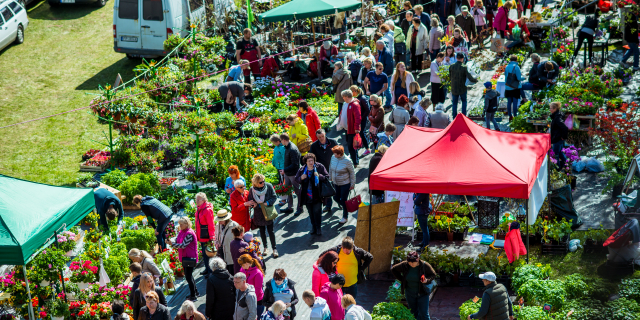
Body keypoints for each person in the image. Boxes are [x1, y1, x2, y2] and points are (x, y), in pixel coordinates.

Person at [391, 251, 436, 320]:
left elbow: (433, 274)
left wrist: (427, 280)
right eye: (409, 262)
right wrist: (402, 279)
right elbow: (393, 269)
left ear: (417, 260)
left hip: (423, 293)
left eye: (413, 262)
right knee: (413, 313)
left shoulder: (424, 265)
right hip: (410, 293)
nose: (411, 264)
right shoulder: (405, 265)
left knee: (424, 314)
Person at [166, 217, 199, 301]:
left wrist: (172, 244)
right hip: (185, 257)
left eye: (181, 224)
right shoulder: (181, 231)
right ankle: (195, 292)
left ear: (186, 224)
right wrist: (170, 241)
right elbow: (177, 239)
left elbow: (183, 245)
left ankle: (193, 296)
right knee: (189, 276)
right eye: (179, 224)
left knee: (188, 277)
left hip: (190, 257)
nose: (179, 226)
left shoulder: (189, 233)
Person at [295, 153, 329, 235]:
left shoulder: (319, 167)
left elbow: (327, 177)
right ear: (305, 162)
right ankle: (313, 227)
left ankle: (318, 228)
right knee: (311, 213)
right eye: (309, 161)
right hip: (307, 196)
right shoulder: (302, 169)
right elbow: (297, 179)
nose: (311, 162)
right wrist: (301, 178)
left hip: (317, 195)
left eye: (312, 160)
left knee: (317, 211)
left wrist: (319, 176)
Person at [247, 173, 278, 257]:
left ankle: (274, 248)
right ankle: (265, 247)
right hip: (258, 213)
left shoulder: (269, 186)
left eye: (263, 181)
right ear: (256, 183)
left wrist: (267, 203)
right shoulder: (251, 190)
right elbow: (250, 200)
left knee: (271, 231)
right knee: (262, 232)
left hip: (268, 212)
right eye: (260, 182)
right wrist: (254, 204)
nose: (263, 183)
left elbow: (274, 197)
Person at [309, 130, 340, 211]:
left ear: (325, 134)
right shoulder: (314, 145)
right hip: (323, 171)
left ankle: (340, 202)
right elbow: (311, 157)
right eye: (319, 137)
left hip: (334, 168)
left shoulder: (333, 142)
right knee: (327, 188)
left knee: (337, 186)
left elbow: (340, 152)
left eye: (322, 136)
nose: (321, 138)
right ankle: (328, 205)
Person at [329, 145, 356, 224]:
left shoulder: (347, 161)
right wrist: (330, 177)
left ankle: (345, 217)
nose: (334, 155)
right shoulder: (333, 157)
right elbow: (330, 167)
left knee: (343, 199)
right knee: (335, 198)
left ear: (340, 153)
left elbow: (352, 173)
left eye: (336, 154)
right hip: (335, 183)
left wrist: (352, 184)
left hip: (345, 183)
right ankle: (346, 207)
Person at [337, 90, 362, 167]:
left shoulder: (355, 105)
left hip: (352, 129)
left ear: (347, 97)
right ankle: (355, 160)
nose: (343, 98)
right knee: (351, 145)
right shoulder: (345, 103)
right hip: (347, 129)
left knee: (351, 146)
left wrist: (356, 127)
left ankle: (354, 162)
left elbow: (358, 117)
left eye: (343, 97)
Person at [449, 52, 477, 117]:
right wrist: (475, 80)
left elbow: (450, 76)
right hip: (462, 88)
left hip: (454, 87)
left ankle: (454, 117)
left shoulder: (452, 66)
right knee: (464, 101)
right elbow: (469, 77)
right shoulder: (464, 67)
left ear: (456, 58)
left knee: (454, 103)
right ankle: (463, 116)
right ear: (463, 58)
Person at [280, 133, 302, 215]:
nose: (281, 142)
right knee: (287, 190)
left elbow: (295, 164)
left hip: (293, 174)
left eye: (281, 140)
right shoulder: (287, 147)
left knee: (298, 191)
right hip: (287, 173)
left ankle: (300, 208)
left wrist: (284, 170)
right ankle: (290, 207)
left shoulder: (292, 149)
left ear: (284, 140)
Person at [195, 192, 215, 277]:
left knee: (208, 254)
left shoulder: (207, 210)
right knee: (204, 253)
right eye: (196, 199)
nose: (197, 201)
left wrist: (211, 237)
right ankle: (207, 269)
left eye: (198, 199)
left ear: (203, 200)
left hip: (206, 235)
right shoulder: (199, 208)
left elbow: (211, 224)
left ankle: (210, 271)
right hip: (201, 235)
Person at [215, 209, 240, 274]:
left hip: (231, 254)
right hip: (222, 252)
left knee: (232, 271)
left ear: (226, 219)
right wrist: (216, 242)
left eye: (221, 220)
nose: (219, 221)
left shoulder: (234, 225)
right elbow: (216, 236)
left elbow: (240, 239)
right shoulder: (218, 225)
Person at [351, 86, 371, 157]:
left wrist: (361, 118)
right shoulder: (355, 98)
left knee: (361, 133)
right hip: (358, 120)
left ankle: (367, 148)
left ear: (356, 91)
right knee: (359, 134)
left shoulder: (362, 98)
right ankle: (357, 149)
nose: (351, 92)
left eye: (352, 91)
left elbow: (367, 110)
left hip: (362, 120)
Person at [550, 102, 568, 169]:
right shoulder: (557, 115)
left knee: (555, 154)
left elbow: (564, 128)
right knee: (560, 152)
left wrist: (563, 136)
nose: (550, 110)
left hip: (557, 138)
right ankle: (566, 165)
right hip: (558, 137)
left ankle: (557, 168)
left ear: (555, 109)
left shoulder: (557, 118)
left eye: (551, 108)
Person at [504, 55, 523, 120]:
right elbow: (519, 78)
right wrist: (524, 78)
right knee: (515, 102)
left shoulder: (507, 66)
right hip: (515, 87)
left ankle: (510, 116)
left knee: (509, 102)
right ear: (516, 60)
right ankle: (515, 115)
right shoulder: (517, 67)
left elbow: (506, 76)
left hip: (508, 87)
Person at [375, 40, 394, 108]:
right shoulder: (382, 51)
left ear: (381, 45)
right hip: (384, 73)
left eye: (377, 45)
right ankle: (388, 103)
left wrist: (383, 74)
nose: (376, 46)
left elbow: (388, 65)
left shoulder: (386, 52)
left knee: (386, 90)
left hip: (386, 74)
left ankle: (390, 104)